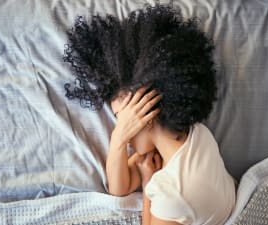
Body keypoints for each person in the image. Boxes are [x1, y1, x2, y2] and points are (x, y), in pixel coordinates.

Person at [63, 2, 236, 225]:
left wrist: (148, 185)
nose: (121, 131)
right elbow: (120, 189)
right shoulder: (197, 135)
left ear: (144, 117)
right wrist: (118, 142)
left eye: (120, 119)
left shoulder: (171, 193)